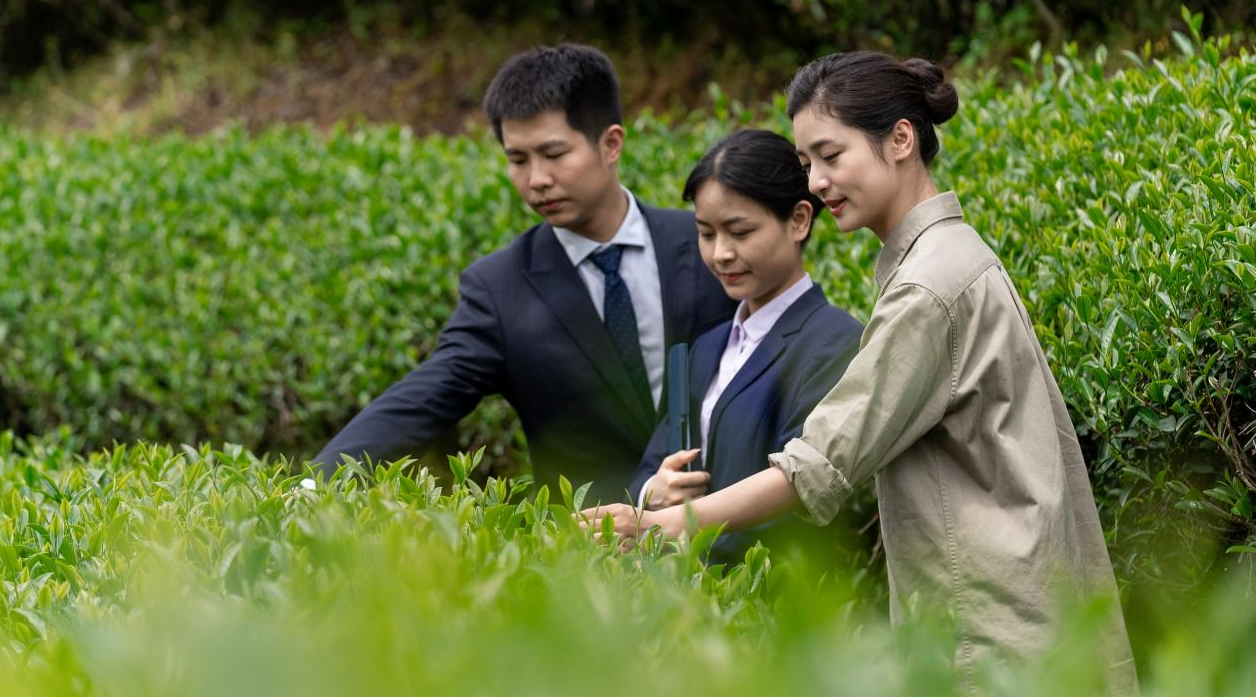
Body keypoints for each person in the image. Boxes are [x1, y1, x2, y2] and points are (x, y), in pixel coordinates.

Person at [585, 51, 1137, 693]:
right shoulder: (950, 259)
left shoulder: (929, 286)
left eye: (830, 155)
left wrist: (671, 524)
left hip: (990, 634)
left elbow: (823, 464)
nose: (815, 183)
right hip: (1010, 616)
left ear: (900, 139)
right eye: (805, 164)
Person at [313, 44, 735, 502]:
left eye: (553, 154)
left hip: (733, 537)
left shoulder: (705, 247)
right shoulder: (500, 290)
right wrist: (311, 487)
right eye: (518, 160)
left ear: (611, 144)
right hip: (591, 554)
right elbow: (424, 398)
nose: (536, 179)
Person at [627, 129, 862, 561]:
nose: (721, 254)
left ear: (799, 220)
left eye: (739, 231)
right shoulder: (707, 346)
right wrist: (652, 491)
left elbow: (805, 491)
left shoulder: (834, 342)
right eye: (706, 233)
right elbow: (655, 459)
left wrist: (681, 525)